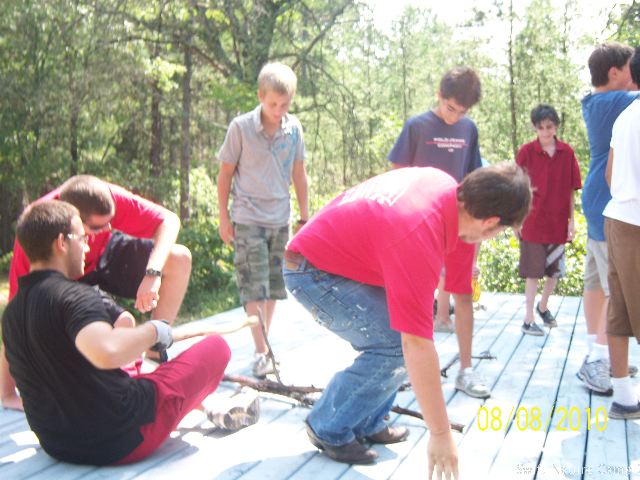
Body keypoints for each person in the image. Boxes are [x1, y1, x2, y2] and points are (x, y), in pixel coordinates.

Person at [284, 163, 531, 475]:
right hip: (310, 270)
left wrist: (466, 365)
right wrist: (440, 434)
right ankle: (327, 426)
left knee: (407, 329)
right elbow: (415, 343)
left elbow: (460, 292)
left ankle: (368, 420)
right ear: (491, 223)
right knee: (395, 345)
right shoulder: (418, 233)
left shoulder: (447, 190)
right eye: (501, 232)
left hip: (343, 258)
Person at [1, 200, 230, 465]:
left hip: (56, 444)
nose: (87, 247)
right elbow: (106, 352)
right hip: (123, 437)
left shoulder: (12, 313)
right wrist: (155, 330)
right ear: (61, 243)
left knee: (129, 366)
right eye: (83, 238)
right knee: (216, 347)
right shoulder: (74, 296)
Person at [1, 175, 192, 410]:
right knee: (111, 328)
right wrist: (7, 393)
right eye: (97, 227)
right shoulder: (40, 228)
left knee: (179, 258)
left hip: (104, 255)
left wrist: (153, 273)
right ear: (72, 223)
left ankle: (154, 353)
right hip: (68, 277)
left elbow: (169, 221)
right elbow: (16, 313)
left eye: (110, 222)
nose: (106, 229)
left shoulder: (100, 196)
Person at [388, 66, 488, 398]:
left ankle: (466, 369)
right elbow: (397, 174)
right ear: (439, 96)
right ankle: (408, 370)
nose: (454, 116)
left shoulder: (468, 129)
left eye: (461, 111)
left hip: (460, 223)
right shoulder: (417, 126)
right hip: (420, 224)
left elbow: (473, 176)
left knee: (463, 293)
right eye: (450, 108)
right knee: (414, 298)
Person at [216, 62, 309, 378]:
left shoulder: (293, 129)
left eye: (284, 105)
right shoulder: (240, 128)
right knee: (253, 286)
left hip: (280, 218)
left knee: (272, 287)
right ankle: (261, 350)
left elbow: (299, 173)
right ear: (260, 96)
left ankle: (264, 344)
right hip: (247, 217)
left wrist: (304, 216)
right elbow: (225, 174)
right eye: (272, 104)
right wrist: (223, 217)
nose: (278, 111)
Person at [578, 42, 640, 395]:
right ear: (614, 73)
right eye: (632, 67)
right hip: (609, 203)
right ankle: (600, 358)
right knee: (614, 288)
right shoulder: (616, 102)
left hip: (597, 201)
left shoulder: (597, 102)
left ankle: (596, 352)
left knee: (595, 283)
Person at [515, 104, 582, 336]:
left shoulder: (567, 152)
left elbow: (572, 189)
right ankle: (528, 320)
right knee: (533, 273)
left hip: (558, 222)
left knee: (555, 272)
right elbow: (516, 188)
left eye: (549, 127)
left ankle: (542, 307)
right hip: (532, 222)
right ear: (535, 128)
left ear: (556, 126)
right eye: (541, 127)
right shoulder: (526, 152)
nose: (545, 132)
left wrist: (572, 221)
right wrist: (516, 220)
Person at [603, 47, 640, 419]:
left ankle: (624, 397)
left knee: (620, 308)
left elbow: (610, 174)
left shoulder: (626, 115)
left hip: (617, 218)